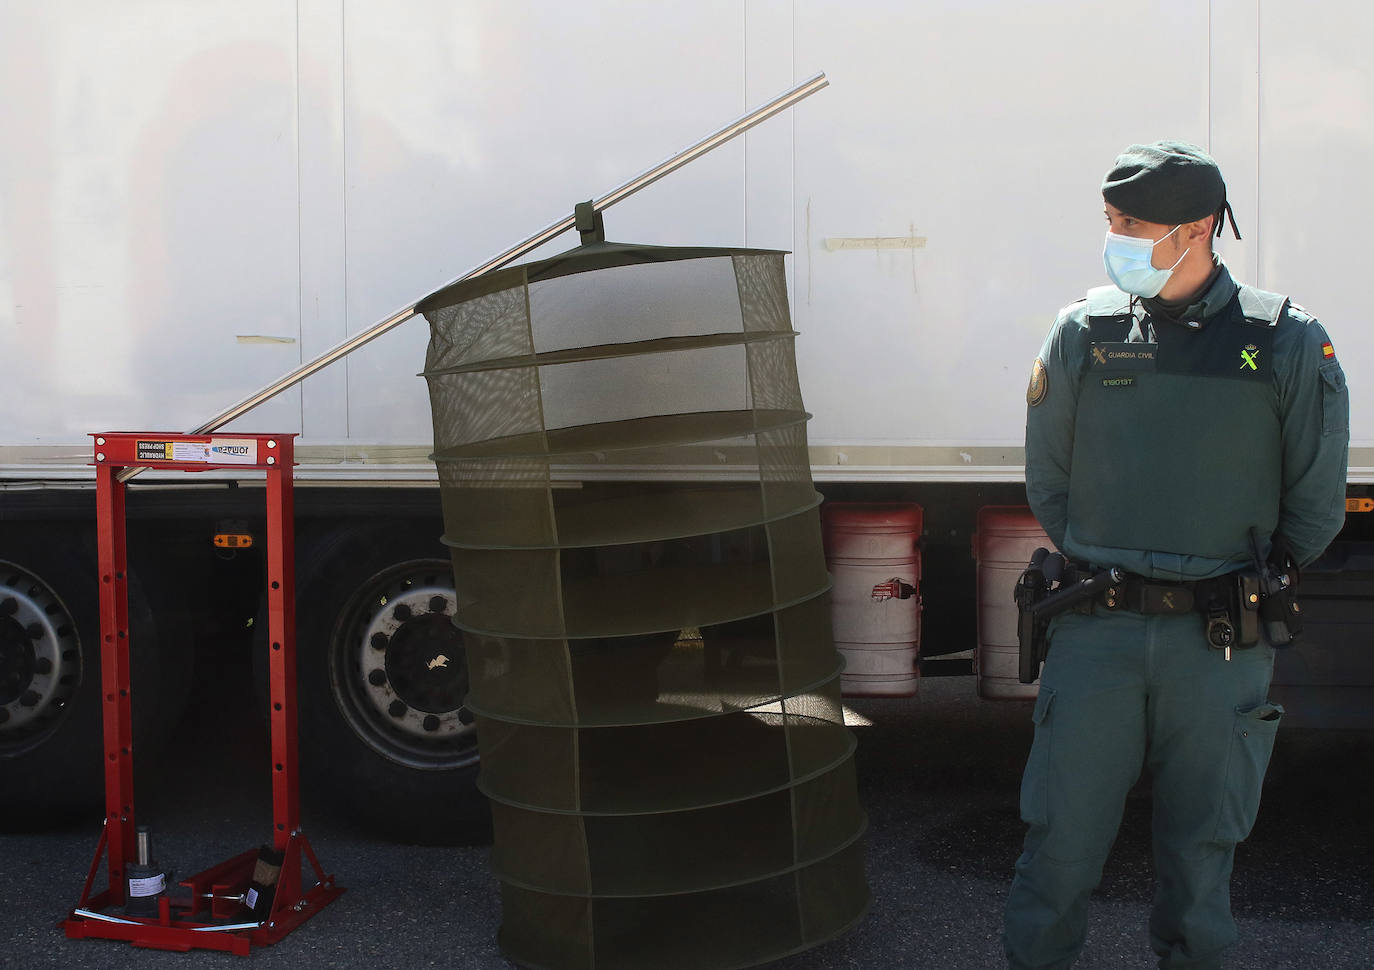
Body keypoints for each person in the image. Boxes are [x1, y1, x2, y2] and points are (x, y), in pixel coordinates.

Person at [1003, 140, 1350, 969]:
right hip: (1098, 634)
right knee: (1057, 850)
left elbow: (1314, 507)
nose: (1116, 236)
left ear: (1198, 228)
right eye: (1111, 220)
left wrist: (1224, 579)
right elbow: (1049, 482)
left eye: (1134, 223)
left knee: (1200, 864)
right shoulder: (1085, 331)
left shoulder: (1286, 342)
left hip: (1218, 644)